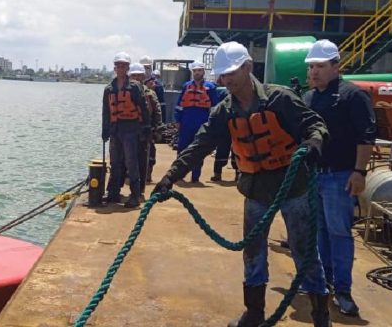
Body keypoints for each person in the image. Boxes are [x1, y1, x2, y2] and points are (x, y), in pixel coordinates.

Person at [153, 42, 331, 327]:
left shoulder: (279, 98)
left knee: (304, 250)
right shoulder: (224, 111)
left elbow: (315, 124)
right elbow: (199, 145)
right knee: (253, 252)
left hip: (292, 186)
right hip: (256, 189)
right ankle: (254, 312)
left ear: (248, 68)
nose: (227, 79)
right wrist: (170, 177)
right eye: (223, 75)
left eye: (232, 72)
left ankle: (321, 314)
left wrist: (313, 144)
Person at [303, 39, 376, 317]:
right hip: (314, 177)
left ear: (336, 66)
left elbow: (366, 136)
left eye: (320, 66)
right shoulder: (310, 98)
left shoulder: (352, 96)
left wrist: (359, 172)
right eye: (311, 67)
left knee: (339, 233)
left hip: (340, 177)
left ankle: (343, 291)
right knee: (319, 232)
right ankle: (324, 283)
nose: (314, 72)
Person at [102, 53, 150, 208]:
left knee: (131, 162)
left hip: (131, 128)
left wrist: (146, 128)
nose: (121, 68)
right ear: (115, 68)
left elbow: (143, 107)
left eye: (124, 66)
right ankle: (113, 192)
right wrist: (105, 129)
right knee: (115, 162)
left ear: (128, 68)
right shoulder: (109, 89)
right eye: (118, 66)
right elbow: (106, 111)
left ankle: (135, 195)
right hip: (116, 129)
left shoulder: (135, 87)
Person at [174, 61, 221, 183]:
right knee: (182, 148)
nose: (197, 73)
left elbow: (215, 107)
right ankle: (179, 174)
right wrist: (178, 120)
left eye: (199, 70)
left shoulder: (210, 88)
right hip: (186, 122)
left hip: (202, 122)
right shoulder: (186, 86)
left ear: (203, 72)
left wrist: (213, 123)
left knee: (198, 149)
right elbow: (179, 105)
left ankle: (195, 177)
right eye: (195, 71)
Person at [129, 63, 162, 196]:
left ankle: (140, 189)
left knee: (145, 160)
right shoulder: (125, 91)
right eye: (134, 75)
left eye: (139, 75)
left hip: (144, 131)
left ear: (144, 76)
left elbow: (157, 112)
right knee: (127, 160)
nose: (136, 78)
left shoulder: (149, 93)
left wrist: (157, 130)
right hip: (128, 131)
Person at [140, 55, 166, 122]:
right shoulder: (134, 83)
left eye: (147, 67)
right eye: (143, 67)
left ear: (151, 68)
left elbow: (161, 105)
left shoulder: (157, 85)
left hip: (152, 119)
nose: (145, 70)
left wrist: (162, 122)